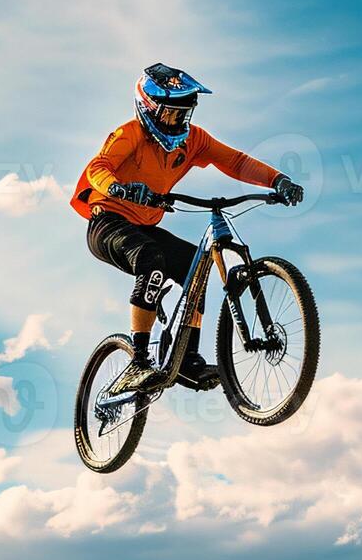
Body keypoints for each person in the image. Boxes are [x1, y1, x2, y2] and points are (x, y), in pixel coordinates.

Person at [71, 63, 304, 395]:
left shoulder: (193, 140)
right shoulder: (130, 134)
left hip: (144, 226)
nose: (178, 122)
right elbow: (99, 166)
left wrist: (277, 179)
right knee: (150, 258)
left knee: (195, 268)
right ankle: (138, 360)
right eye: (170, 114)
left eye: (184, 114)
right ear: (148, 108)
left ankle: (186, 359)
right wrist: (119, 188)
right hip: (107, 222)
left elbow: (235, 161)